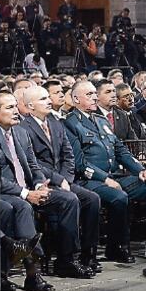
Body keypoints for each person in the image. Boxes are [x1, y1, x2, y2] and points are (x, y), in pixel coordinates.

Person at [0, 90, 86, 283]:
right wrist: (26, 193)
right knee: (22, 206)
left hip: (29, 189)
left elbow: (33, 165)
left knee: (69, 199)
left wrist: (40, 184)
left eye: (16, 106)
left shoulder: (21, 132)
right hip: (2, 192)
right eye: (9, 108)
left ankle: (66, 259)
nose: (16, 111)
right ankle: (33, 271)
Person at [64, 81, 146, 262]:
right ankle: (118, 246)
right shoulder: (69, 124)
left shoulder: (101, 121)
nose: (94, 97)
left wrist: (141, 170)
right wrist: (104, 178)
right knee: (119, 197)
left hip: (114, 176)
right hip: (89, 180)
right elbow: (79, 163)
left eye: (94, 93)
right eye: (88, 95)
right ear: (75, 99)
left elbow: (120, 151)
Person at [20, 86, 102, 273]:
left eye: (48, 97)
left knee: (92, 199)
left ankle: (88, 255)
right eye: (43, 99)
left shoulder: (55, 123)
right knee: (70, 200)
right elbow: (33, 163)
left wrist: (65, 178)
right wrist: (58, 180)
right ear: (30, 105)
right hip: (41, 182)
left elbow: (68, 154)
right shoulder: (23, 128)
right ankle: (66, 259)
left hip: (63, 180)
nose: (49, 101)